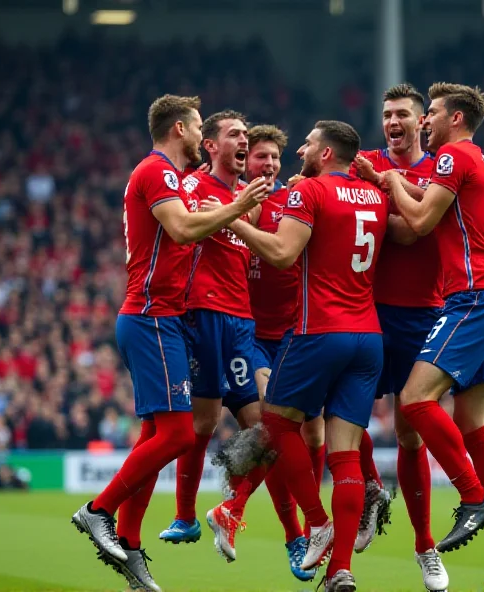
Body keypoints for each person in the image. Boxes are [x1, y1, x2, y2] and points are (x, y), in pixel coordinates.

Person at [71, 95, 269, 592]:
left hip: (167, 319)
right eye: (199, 125)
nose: (202, 134)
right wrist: (239, 206)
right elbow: (181, 228)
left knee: (156, 436)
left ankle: (133, 548)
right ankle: (99, 512)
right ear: (180, 129)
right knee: (181, 435)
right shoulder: (157, 171)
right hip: (152, 315)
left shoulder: (174, 178)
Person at [384, 82, 484, 590]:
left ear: (455, 118)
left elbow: (422, 221)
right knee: (474, 422)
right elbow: (429, 207)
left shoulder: (453, 156)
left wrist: (389, 182)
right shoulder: (477, 158)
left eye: (429, 113)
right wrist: (391, 179)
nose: (424, 122)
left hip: (472, 296)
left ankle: (474, 497)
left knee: (413, 400)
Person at [229, 120, 389, 592]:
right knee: (343, 460)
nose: (299, 148)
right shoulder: (375, 197)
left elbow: (280, 254)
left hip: (318, 330)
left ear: (324, 154)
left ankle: (314, 523)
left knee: (276, 425)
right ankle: (341, 569)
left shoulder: (310, 193)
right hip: (368, 337)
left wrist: (232, 217)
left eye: (308, 143)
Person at [158, 110, 270, 561]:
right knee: (201, 424)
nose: (243, 141)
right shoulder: (191, 186)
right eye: (234, 135)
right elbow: (179, 232)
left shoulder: (251, 200)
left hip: (241, 322)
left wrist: (237, 210)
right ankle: (185, 517)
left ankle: (231, 506)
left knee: (267, 431)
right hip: (201, 313)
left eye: (247, 135)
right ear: (211, 145)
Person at [352, 83, 448, 591]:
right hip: (366, 309)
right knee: (340, 417)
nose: (393, 121)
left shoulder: (438, 170)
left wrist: (384, 194)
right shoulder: (362, 163)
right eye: (387, 114)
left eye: (403, 115)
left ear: (420, 123)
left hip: (422, 313)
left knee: (411, 431)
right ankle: (370, 491)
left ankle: (425, 546)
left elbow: (414, 232)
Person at [244, 124, 323, 582]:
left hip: (298, 332)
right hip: (253, 337)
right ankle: (298, 533)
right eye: (260, 157)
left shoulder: (294, 201)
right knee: (274, 430)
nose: (270, 165)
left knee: (312, 439)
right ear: (245, 160)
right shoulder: (230, 204)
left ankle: (312, 527)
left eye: (275, 157)